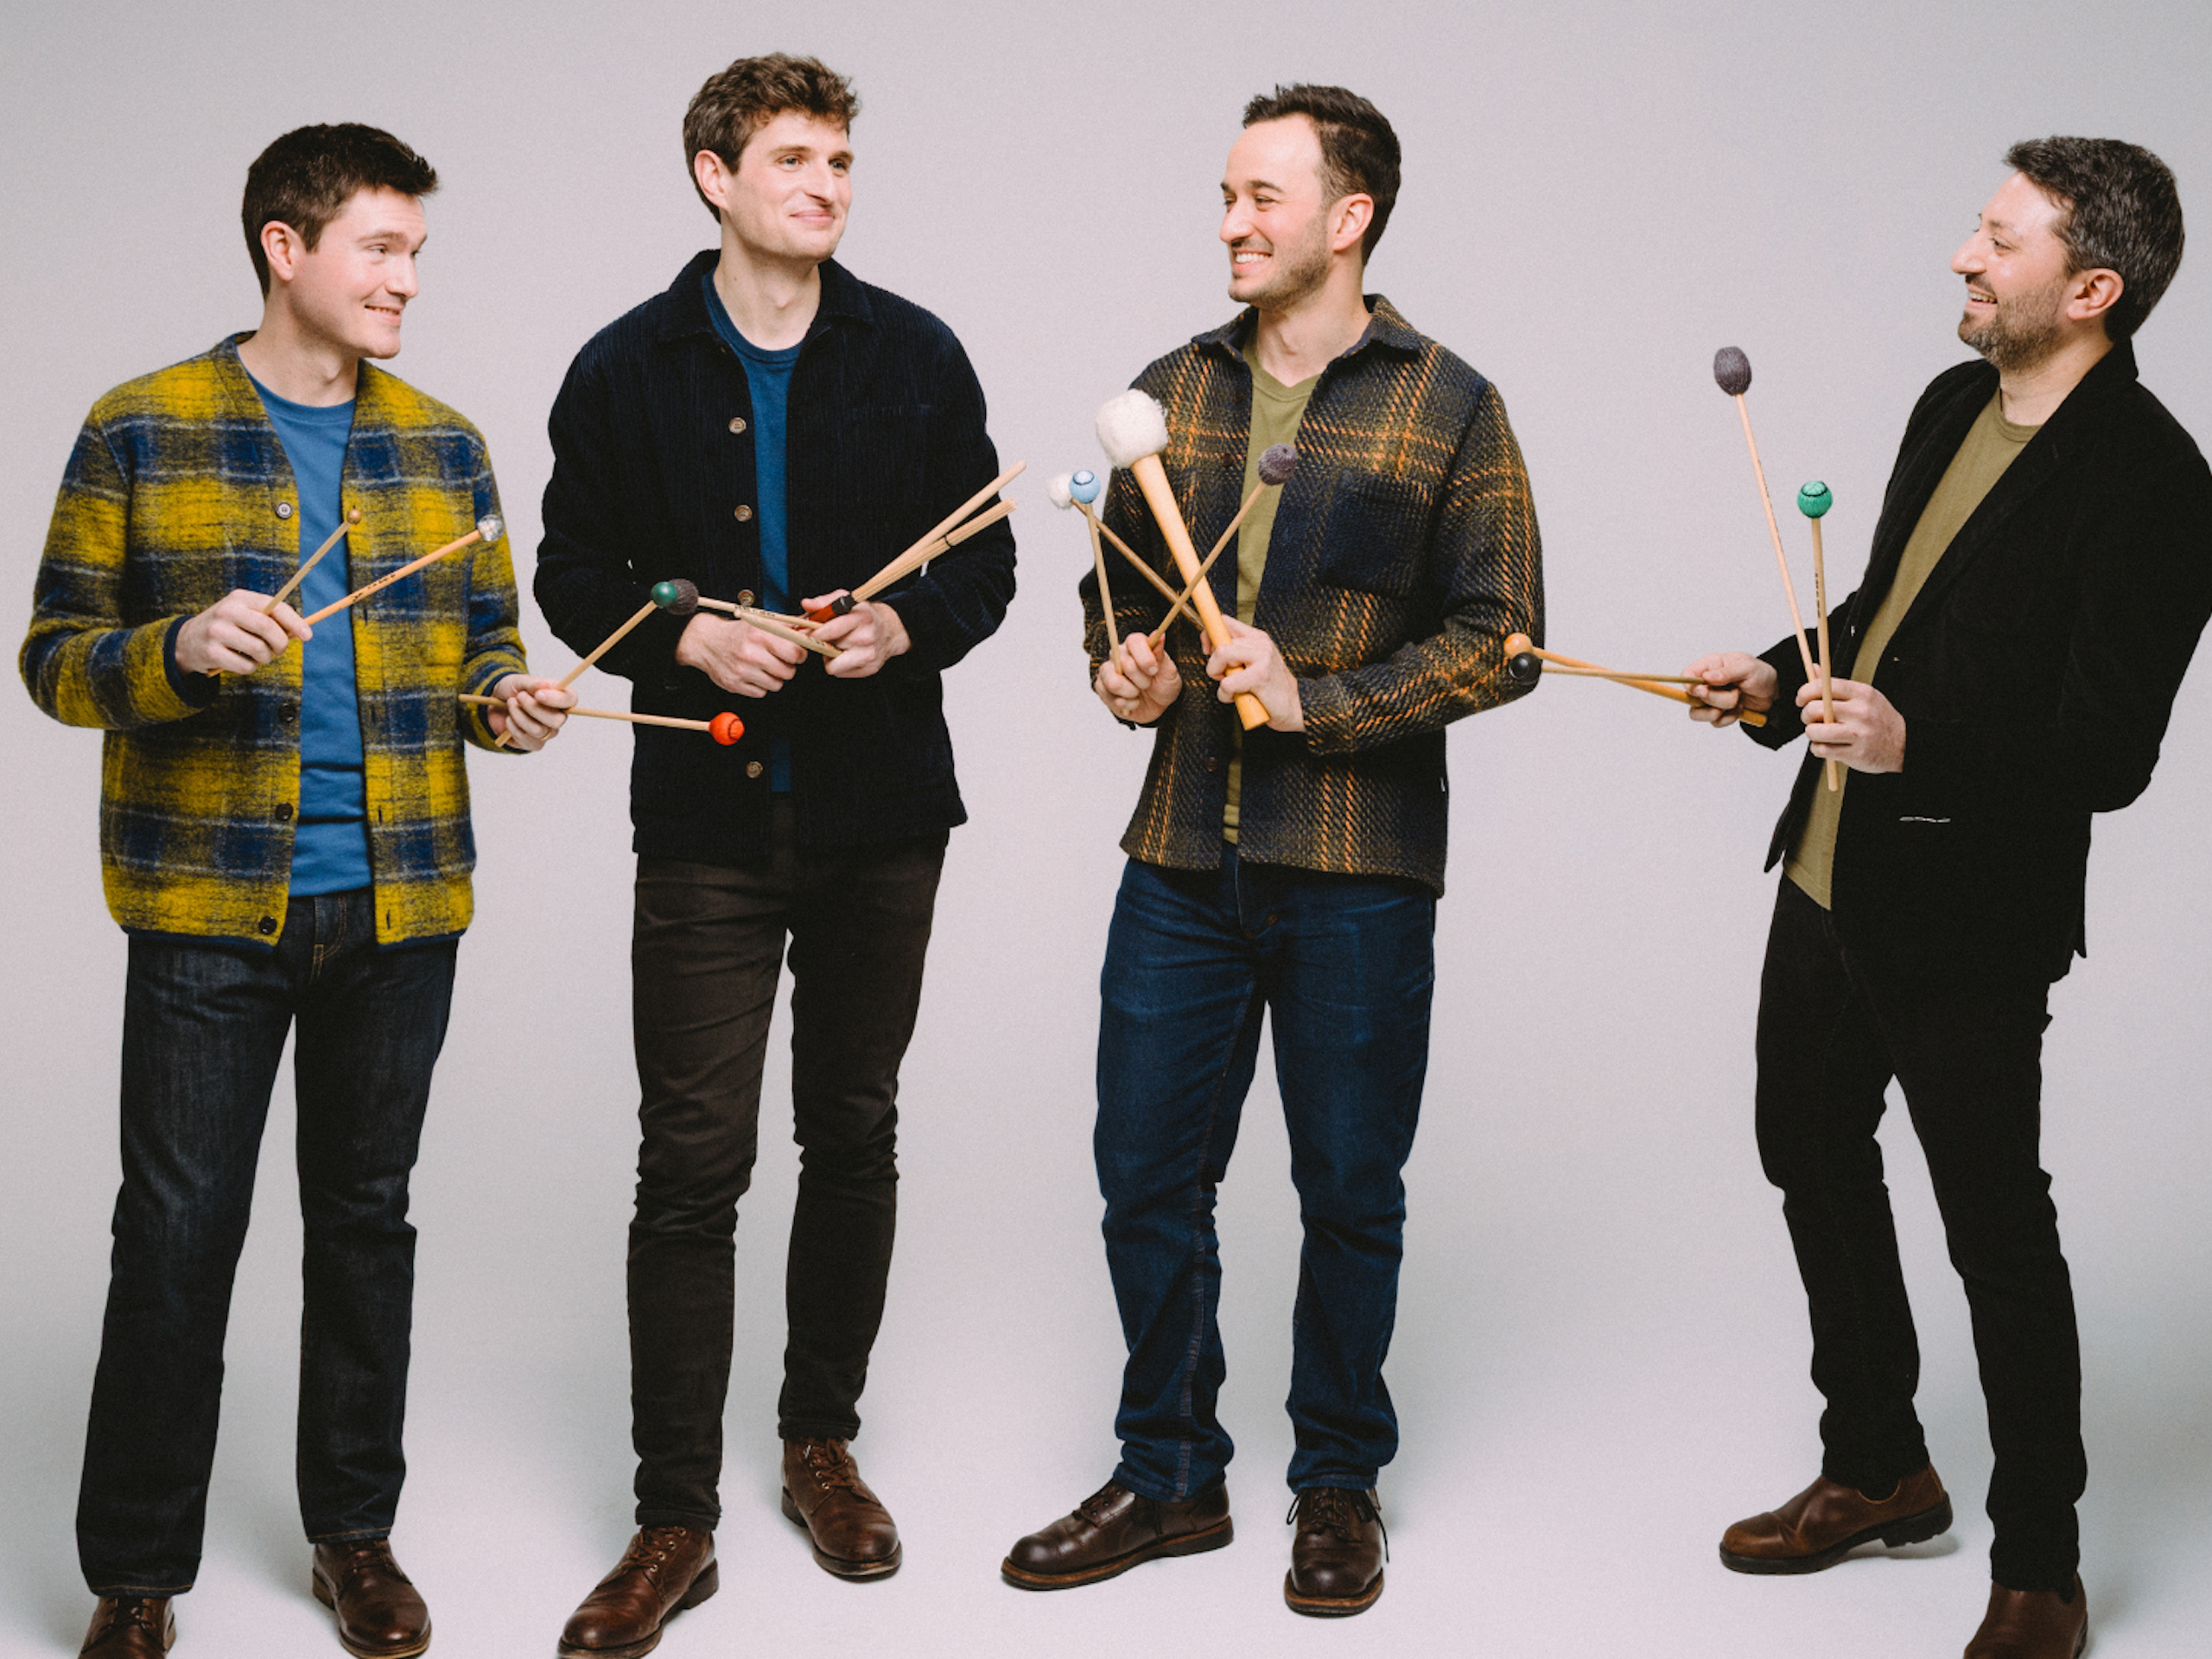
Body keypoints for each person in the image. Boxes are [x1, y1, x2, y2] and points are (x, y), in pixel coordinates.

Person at [20, 123, 570, 1659]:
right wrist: (178, 651)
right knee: (175, 1239)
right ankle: (137, 1577)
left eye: (415, 252)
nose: (407, 281)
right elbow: (53, 660)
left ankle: (354, 1538)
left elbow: (482, 651)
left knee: (366, 1226)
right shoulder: (140, 425)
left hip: (400, 910)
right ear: (286, 247)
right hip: (206, 913)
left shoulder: (446, 448)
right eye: (380, 249)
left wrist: (506, 703)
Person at [1001, 84, 1541, 1617]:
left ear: (1348, 218)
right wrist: (1126, 670)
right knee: (1143, 1174)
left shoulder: (1450, 403)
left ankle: (1337, 1481)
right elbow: (1116, 596)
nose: (1232, 222)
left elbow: (1505, 637)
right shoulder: (1170, 389)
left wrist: (1322, 702)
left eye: (1263, 197)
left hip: (1358, 863)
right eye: (1227, 196)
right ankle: (1170, 1472)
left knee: (1349, 1188)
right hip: (1182, 852)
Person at [1683, 137, 2209, 1659]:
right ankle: (1877, 1467)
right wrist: (1777, 676)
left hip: (1972, 911)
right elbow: (1887, 614)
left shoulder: (2159, 485)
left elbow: (2110, 752)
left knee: (1995, 1228)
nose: (1965, 258)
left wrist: (1920, 746)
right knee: (1805, 1146)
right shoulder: (1946, 406)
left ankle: (2040, 1564)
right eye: (1977, 229)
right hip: (1829, 866)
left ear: (2091, 289)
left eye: (2000, 238)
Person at [535, 52, 1015, 1658]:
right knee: (691, 1166)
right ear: (714, 176)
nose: (825, 186)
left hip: (885, 815)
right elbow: (570, 572)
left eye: (840, 161)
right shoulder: (624, 366)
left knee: (854, 1133)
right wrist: (684, 637)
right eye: (795, 159)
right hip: (707, 826)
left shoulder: (917, 352)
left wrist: (903, 625)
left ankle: (822, 1444)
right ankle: (674, 1519)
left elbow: (987, 560)